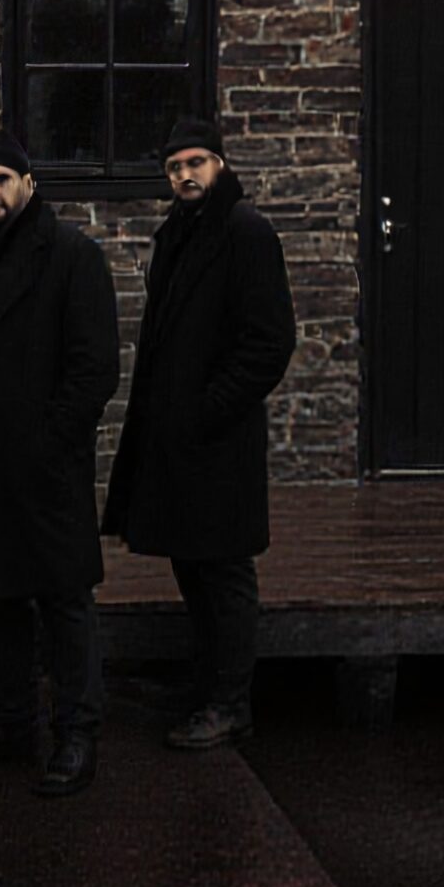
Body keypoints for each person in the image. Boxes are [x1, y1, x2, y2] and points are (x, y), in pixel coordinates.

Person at [104, 117, 297, 750]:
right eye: (174, 167)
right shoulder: (178, 235)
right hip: (180, 438)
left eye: (195, 163)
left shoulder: (245, 232)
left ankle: (230, 703)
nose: (184, 175)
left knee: (225, 571)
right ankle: (204, 684)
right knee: (191, 562)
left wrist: (207, 411)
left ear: (219, 165)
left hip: (220, 439)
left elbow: (269, 343)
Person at [0, 132, 122, 796]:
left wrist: (48, 446)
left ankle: (78, 733)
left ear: (27, 185)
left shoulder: (72, 257)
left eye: (1, 180)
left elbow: (94, 366)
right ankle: (11, 722)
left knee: (64, 602)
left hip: (47, 468)